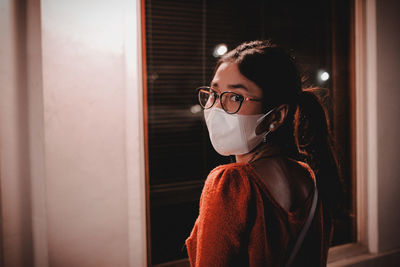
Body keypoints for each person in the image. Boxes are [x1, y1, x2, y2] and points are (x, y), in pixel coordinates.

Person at [184, 40, 343, 266]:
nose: (216, 108)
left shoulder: (232, 183)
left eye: (236, 97)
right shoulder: (306, 176)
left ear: (276, 116)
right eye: (214, 92)